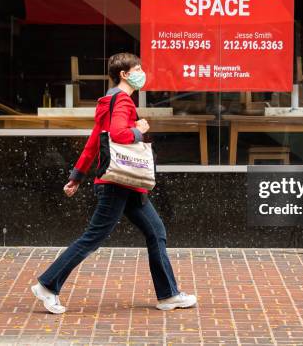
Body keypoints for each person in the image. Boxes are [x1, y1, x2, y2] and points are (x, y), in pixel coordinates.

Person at [31, 52, 197, 314]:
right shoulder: (122, 102)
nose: (142, 73)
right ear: (124, 73)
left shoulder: (108, 101)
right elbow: (119, 134)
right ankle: (47, 285)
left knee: (156, 232)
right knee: (92, 238)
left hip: (126, 184)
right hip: (118, 184)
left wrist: (76, 176)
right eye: (138, 69)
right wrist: (138, 130)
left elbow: (95, 142)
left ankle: (168, 296)